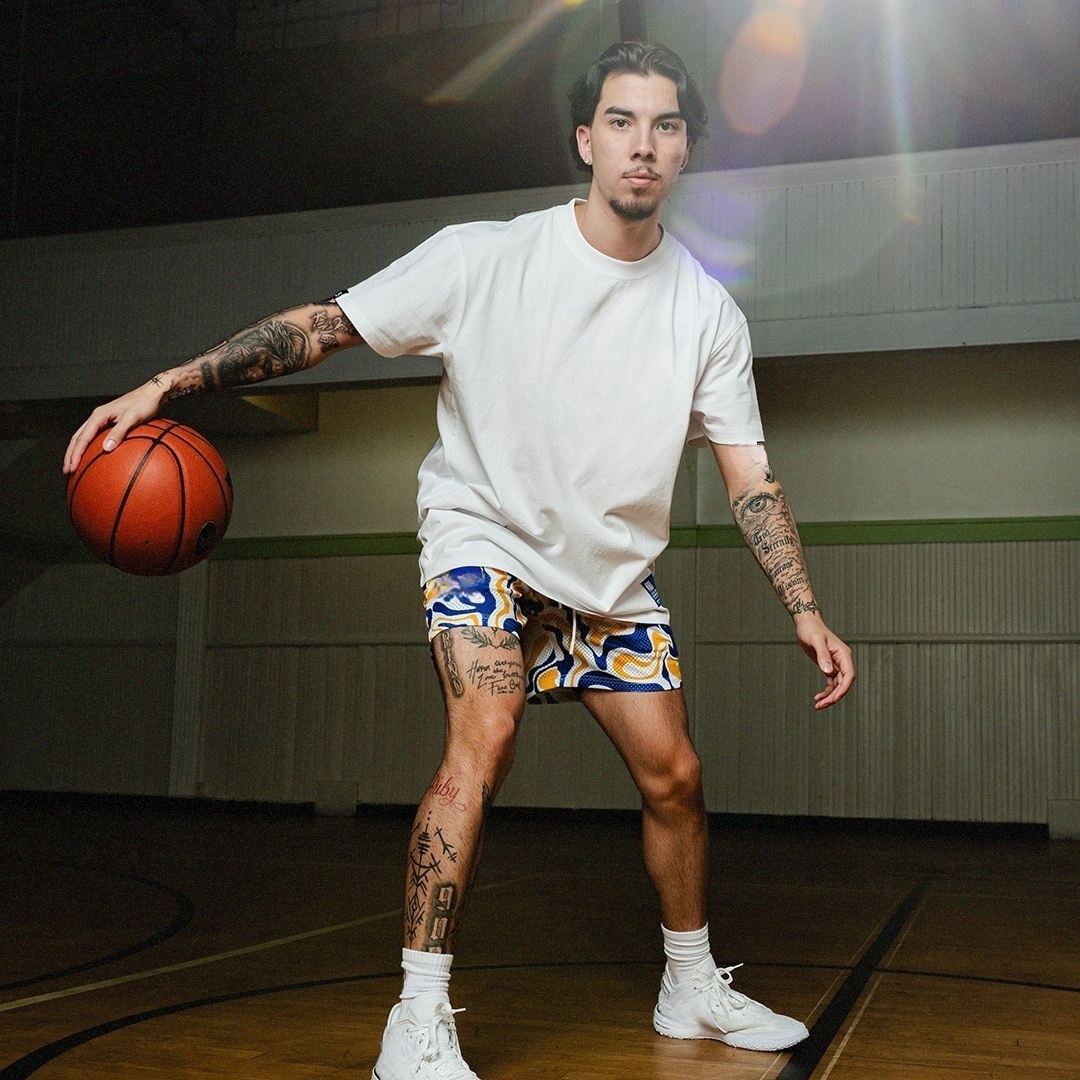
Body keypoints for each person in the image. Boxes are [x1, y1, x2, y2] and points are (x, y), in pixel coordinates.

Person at [65, 42, 854, 1080]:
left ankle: (689, 984)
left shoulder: (705, 311)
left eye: (666, 125)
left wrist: (803, 605)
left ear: (685, 149)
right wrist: (167, 385)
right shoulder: (484, 259)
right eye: (622, 122)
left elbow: (749, 476)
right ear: (586, 140)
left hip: (607, 576)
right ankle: (418, 1017)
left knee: (678, 776)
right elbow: (326, 328)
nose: (643, 144)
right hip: (482, 539)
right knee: (485, 735)